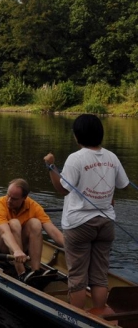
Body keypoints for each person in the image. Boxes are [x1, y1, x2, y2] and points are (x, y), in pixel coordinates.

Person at [44, 114, 129, 310]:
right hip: (106, 223)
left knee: (78, 275)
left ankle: (78, 316)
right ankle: (99, 313)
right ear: (100, 134)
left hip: (79, 224)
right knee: (100, 274)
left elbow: (62, 189)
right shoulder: (112, 157)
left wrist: (51, 167)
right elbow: (122, 185)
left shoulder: (76, 158)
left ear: (77, 136)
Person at [0, 178, 65, 283]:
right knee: (14, 223)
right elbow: (5, 232)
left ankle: (35, 271)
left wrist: (73, 248)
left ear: (24, 198)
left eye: (14, 199)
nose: (9, 201)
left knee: (35, 223)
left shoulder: (33, 206)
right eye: (8, 196)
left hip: (18, 248)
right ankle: (21, 273)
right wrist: (16, 250)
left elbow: (53, 232)